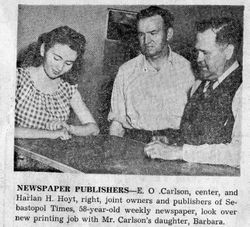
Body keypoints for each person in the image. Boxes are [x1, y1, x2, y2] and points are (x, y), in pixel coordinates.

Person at [145, 17, 242, 168]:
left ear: (228, 51)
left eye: (205, 53)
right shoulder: (199, 84)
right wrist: (172, 140)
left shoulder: (243, 90)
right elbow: (195, 135)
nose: (198, 59)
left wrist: (178, 152)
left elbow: (240, 153)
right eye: (197, 51)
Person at [108, 6, 195, 143]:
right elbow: (117, 123)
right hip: (135, 145)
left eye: (153, 33)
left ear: (169, 34)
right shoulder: (126, 71)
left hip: (174, 146)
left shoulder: (189, 71)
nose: (146, 41)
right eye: (141, 34)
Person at [15, 26, 99, 140]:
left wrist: (68, 128)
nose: (60, 68)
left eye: (68, 63)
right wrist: (51, 134)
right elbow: (5, 128)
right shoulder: (18, 78)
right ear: (43, 49)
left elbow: (93, 128)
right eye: (57, 58)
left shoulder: (67, 89)